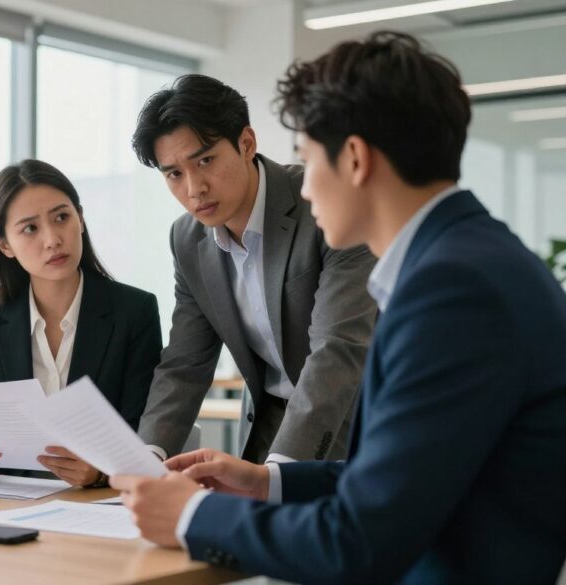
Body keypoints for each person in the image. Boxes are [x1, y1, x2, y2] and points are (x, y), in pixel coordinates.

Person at [112, 31, 566, 583]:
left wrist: (195, 517)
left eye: (306, 158)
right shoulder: (468, 259)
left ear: (353, 159)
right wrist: (267, 483)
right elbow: (401, 481)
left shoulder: (452, 290)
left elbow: (358, 539)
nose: (302, 189)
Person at [132, 73, 377, 464]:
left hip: (363, 427)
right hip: (269, 431)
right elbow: (185, 362)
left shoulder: (325, 207)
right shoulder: (187, 239)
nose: (194, 188)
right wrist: (146, 458)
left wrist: (278, 475)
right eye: (174, 174)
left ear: (246, 143)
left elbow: (337, 350)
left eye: (206, 160)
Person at [0, 159, 162, 487]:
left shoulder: (134, 311)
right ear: (4, 245)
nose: (53, 239)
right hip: (7, 502)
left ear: (80, 219)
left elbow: (143, 429)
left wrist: (101, 472)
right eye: (30, 228)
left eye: (61, 217)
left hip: (99, 506)